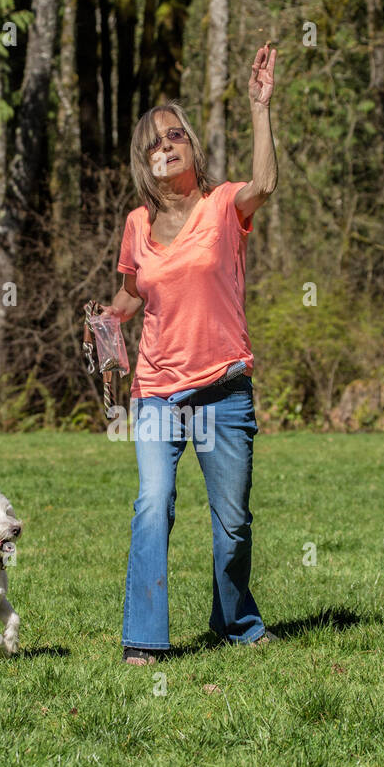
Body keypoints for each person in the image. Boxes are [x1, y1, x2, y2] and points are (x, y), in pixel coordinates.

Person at [101, 45, 279, 666]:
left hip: (224, 388)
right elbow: (131, 294)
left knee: (232, 523)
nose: (166, 145)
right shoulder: (136, 225)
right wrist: (106, 323)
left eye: (175, 135)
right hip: (156, 390)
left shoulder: (224, 206)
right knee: (153, 504)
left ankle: (236, 625)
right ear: (144, 161)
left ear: (191, 146)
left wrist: (260, 108)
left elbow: (267, 183)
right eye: (154, 142)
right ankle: (143, 640)